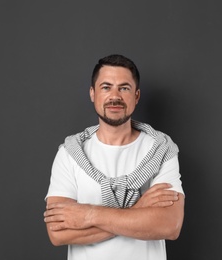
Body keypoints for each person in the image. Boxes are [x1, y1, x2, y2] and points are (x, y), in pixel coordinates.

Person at [44, 54, 184, 260]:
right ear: (93, 93)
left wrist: (88, 215)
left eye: (124, 88)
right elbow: (57, 233)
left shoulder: (161, 149)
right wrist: (137, 210)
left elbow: (170, 225)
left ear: (136, 96)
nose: (115, 96)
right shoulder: (69, 153)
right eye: (106, 87)